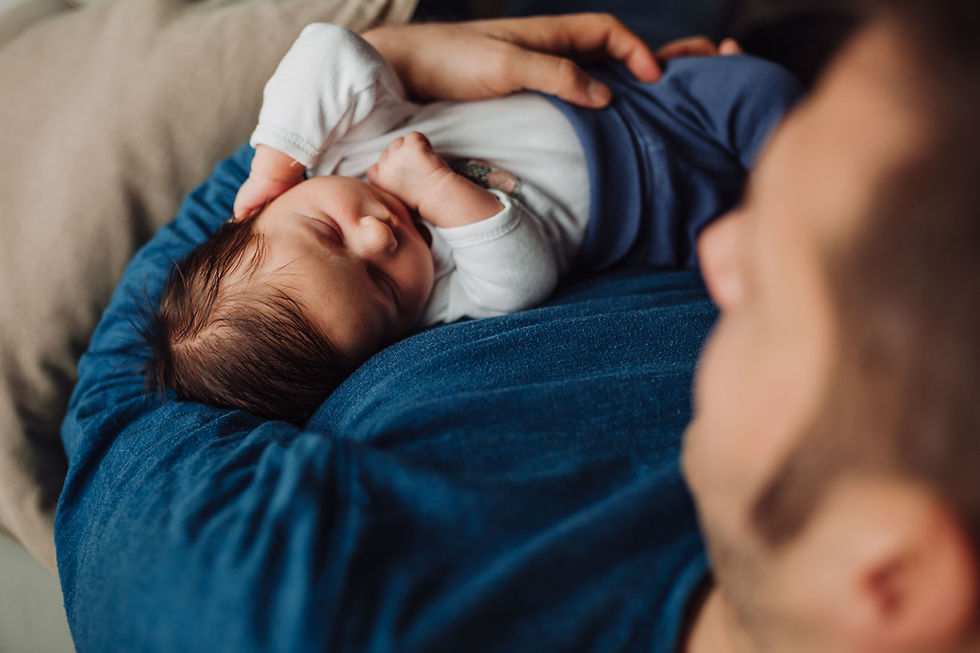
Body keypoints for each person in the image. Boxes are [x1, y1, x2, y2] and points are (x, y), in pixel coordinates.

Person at [56, 6, 980, 653]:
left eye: (782, 281)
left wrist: (279, 166)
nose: (723, 251)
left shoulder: (278, 596)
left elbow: (124, 411)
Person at [147, 22, 800, 424]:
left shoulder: (343, 144)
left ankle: (812, 154)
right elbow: (522, 275)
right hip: (666, 219)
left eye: (330, 232)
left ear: (262, 208)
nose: (379, 236)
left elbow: (330, 49)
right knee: (760, 239)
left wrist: (274, 158)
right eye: (379, 284)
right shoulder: (436, 299)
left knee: (758, 90)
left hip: (641, 103)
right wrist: (435, 187)